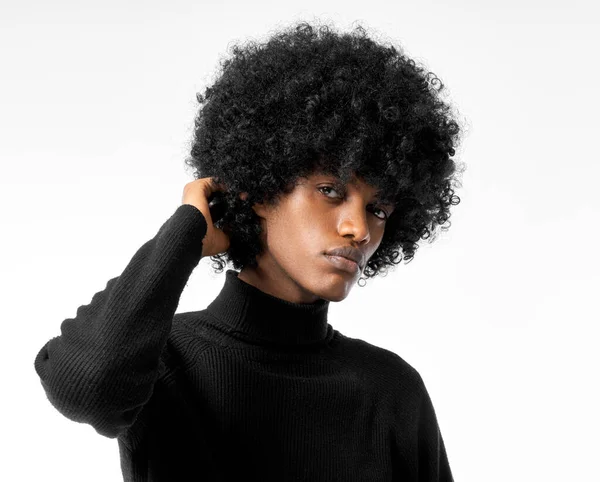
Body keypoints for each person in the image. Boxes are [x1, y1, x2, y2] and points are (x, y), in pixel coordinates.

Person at [34, 20, 464, 481]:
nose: (358, 228)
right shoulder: (164, 362)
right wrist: (185, 236)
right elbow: (88, 386)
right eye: (329, 190)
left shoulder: (391, 390)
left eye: (378, 209)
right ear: (260, 189)